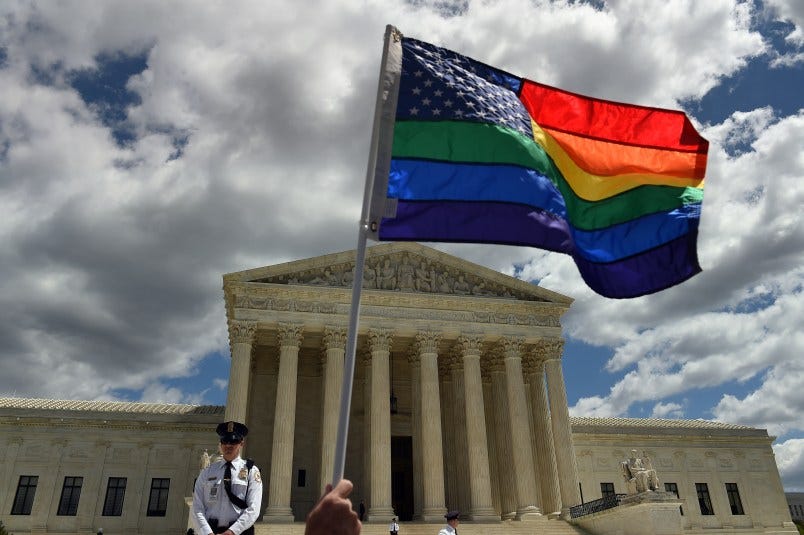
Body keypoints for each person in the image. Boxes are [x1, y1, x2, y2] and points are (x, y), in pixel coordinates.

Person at [192, 421, 262, 535]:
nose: (228, 445)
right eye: (225, 441)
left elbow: (253, 508)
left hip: (239, 532)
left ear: (241, 443)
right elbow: (197, 507)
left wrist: (232, 532)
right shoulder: (207, 472)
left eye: (233, 441)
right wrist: (207, 532)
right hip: (211, 531)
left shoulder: (251, 472)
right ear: (220, 443)